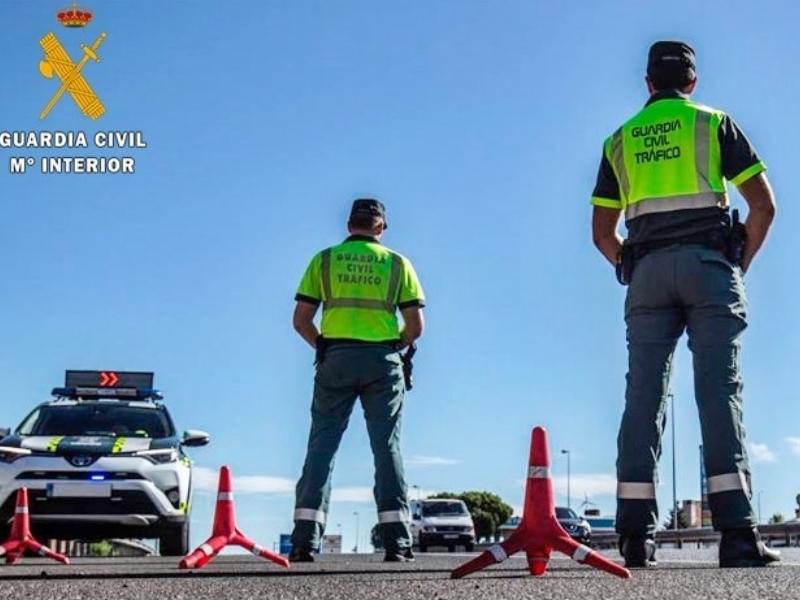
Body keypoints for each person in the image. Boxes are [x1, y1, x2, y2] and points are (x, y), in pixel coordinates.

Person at [590, 41, 778, 569]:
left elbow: (602, 231)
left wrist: (626, 264)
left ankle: (633, 536)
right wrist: (739, 264)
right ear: (692, 82)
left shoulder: (619, 140)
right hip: (708, 267)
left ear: (648, 83)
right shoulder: (713, 122)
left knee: (642, 398)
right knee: (719, 394)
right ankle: (738, 536)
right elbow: (763, 205)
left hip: (647, 274)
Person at [289, 198, 425, 563]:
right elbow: (416, 327)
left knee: (321, 448)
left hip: (335, 359)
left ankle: (304, 541)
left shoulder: (325, 260)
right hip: (382, 361)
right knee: (386, 449)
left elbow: (300, 319)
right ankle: (397, 542)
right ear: (381, 226)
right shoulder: (398, 264)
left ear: (350, 225)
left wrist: (324, 347)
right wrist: (395, 345)